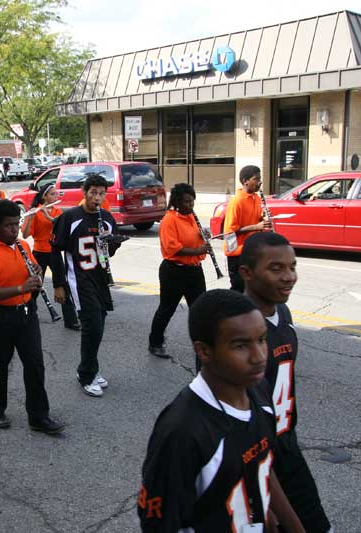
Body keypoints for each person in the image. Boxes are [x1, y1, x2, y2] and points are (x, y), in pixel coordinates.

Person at [138, 289, 305, 532]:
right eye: (240, 346)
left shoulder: (258, 391)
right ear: (204, 351)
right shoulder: (182, 431)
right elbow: (159, 523)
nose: (259, 357)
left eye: (261, 340)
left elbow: (261, 467)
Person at [241, 232, 332, 532]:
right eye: (276, 268)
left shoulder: (282, 311)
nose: (289, 277)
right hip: (257, 455)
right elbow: (241, 425)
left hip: (286, 444)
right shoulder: (235, 331)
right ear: (247, 273)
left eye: (292, 267)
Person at [0, 199, 64, 434]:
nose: (15, 230)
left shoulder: (22, 245)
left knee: (35, 364)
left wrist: (37, 278)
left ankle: (38, 416)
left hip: (25, 313)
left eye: (17, 223)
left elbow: (35, 271)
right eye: (9, 226)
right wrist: (21, 288)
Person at [51, 173, 122, 398]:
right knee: (93, 327)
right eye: (93, 193)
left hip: (100, 278)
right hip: (79, 279)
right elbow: (55, 250)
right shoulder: (71, 217)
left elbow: (107, 253)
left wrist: (112, 244)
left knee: (99, 323)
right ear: (85, 192)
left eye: (101, 193)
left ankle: (91, 368)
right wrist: (59, 284)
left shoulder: (107, 218)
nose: (97, 198)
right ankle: (86, 374)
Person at [147, 183, 209, 360]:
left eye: (192, 201)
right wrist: (199, 250)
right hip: (174, 271)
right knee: (167, 308)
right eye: (187, 202)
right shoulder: (169, 219)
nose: (191, 205)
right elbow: (172, 247)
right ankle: (155, 342)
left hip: (194, 271)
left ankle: (202, 343)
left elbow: (192, 237)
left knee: (199, 309)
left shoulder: (190, 216)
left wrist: (202, 235)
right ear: (178, 202)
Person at [21, 183, 79, 330]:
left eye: (56, 194)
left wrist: (47, 215)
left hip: (54, 252)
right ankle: (27, 314)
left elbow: (61, 231)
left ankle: (70, 320)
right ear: (44, 197)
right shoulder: (36, 212)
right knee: (34, 286)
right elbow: (25, 234)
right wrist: (31, 217)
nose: (56, 196)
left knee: (62, 285)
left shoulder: (58, 212)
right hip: (39, 253)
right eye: (53, 194)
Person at [223, 165, 272, 293]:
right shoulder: (236, 202)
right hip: (237, 253)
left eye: (260, 178)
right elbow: (229, 232)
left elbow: (255, 219)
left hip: (252, 250)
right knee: (239, 290)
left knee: (252, 290)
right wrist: (256, 226)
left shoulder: (256, 198)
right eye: (256, 179)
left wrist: (263, 219)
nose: (260, 182)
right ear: (245, 181)